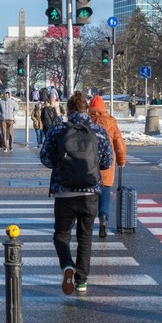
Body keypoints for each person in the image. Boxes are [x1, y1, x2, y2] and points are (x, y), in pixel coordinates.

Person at [40, 92, 113, 296]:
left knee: (61, 235)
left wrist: (61, 164)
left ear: (69, 109)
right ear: (87, 110)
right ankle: (81, 282)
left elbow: (45, 158)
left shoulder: (58, 129)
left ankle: (66, 266)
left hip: (64, 192)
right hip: (90, 192)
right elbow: (107, 161)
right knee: (85, 237)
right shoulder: (98, 131)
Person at [87, 95, 127, 239]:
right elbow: (119, 145)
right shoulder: (111, 122)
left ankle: (88, 220)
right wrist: (121, 161)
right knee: (105, 190)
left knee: (90, 192)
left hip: (88, 162)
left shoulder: (86, 121)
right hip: (107, 163)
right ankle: (103, 217)